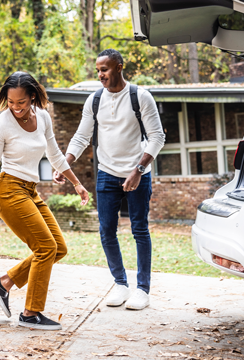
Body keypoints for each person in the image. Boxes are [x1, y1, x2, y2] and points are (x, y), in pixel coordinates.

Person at [0, 71, 89, 331]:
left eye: (21, 103)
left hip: (29, 190)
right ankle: (30, 314)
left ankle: (5, 282)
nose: (16, 108)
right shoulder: (2, 124)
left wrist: (77, 183)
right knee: (45, 248)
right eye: (11, 102)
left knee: (58, 248)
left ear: (32, 96)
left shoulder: (43, 117)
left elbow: (55, 154)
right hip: (7, 190)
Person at [54, 49, 165, 310]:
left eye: (104, 69)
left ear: (118, 67)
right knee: (106, 231)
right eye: (98, 71)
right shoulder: (94, 101)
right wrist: (64, 163)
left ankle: (143, 290)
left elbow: (157, 137)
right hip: (106, 173)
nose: (100, 75)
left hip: (138, 173)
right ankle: (120, 283)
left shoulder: (140, 97)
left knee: (139, 229)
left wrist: (138, 169)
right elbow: (81, 138)